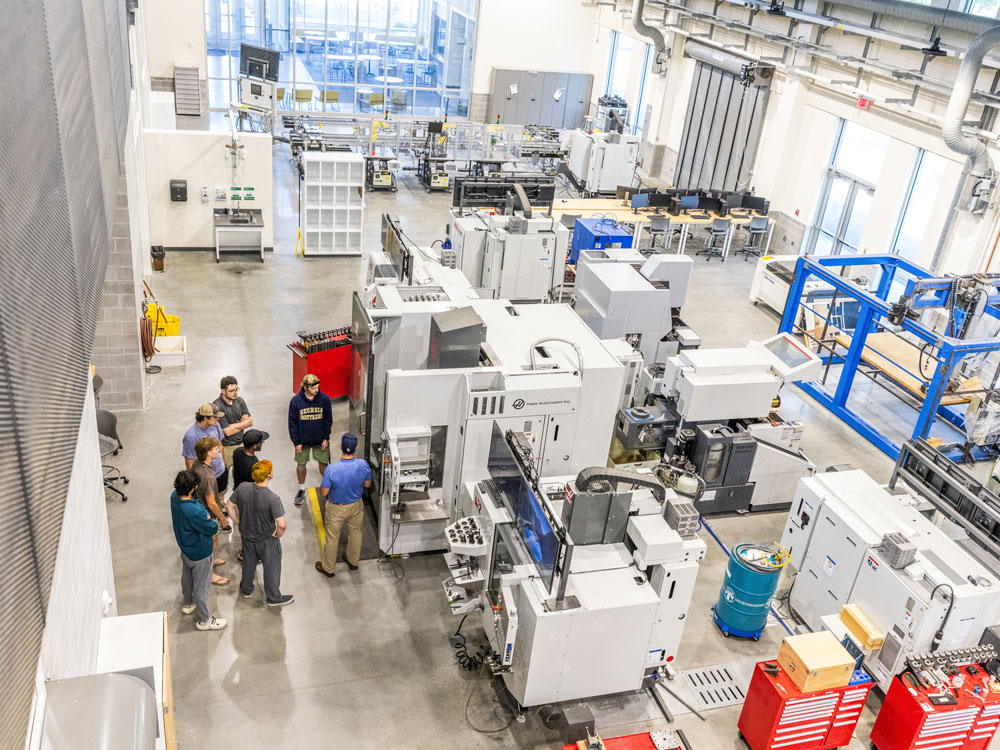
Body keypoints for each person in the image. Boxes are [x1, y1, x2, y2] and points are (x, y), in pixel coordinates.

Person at [229, 460, 293, 607]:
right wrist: (278, 535)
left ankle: (246, 589)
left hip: (247, 537)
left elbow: (229, 506)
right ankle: (273, 598)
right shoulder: (272, 498)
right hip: (267, 540)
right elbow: (281, 524)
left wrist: (238, 521)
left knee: (248, 564)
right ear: (269, 475)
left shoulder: (242, 488)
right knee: (272, 567)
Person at [170, 469, 227, 631]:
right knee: (201, 588)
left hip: (185, 547)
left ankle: (188, 603)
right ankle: (205, 620)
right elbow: (211, 528)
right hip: (201, 552)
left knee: (187, 576)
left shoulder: (174, 497)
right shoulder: (194, 510)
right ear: (193, 488)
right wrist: (210, 519)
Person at [315, 432, 371, 578]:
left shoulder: (331, 469)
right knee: (356, 533)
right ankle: (353, 561)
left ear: (340, 447)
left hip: (336, 509)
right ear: (356, 448)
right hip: (356, 505)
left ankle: (328, 568)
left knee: (332, 538)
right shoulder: (363, 465)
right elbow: (367, 484)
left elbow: (323, 492)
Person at [288, 373, 332, 506]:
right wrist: (296, 442)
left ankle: (327, 487)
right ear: (306, 387)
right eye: (314, 388)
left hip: (320, 440)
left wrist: (325, 438)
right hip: (303, 441)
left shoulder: (324, 399)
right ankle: (301, 488)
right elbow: (292, 423)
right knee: (301, 464)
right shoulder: (296, 401)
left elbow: (328, 420)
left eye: (318, 387)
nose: (317, 390)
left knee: (323, 463)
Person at [193, 437, 230, 586]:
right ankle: (210, 574)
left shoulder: (198, 464)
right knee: (212, 542)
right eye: (216, 449)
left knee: (212, 542)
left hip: (201, 508)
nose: (218, 450)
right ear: (208, 452)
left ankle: (213, 561)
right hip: (207, 513)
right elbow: (211, 502)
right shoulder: (207, 476)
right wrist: (222, 518)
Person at [182, 403, 229, 496]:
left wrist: (223, 464)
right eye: (215, 417)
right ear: (205, 418)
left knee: (221, 494)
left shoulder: (215, 425)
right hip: (207, 478)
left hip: (221, 472)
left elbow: (220, 445)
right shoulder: (191, 437)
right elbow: (189, 463)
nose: (218, 419)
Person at [214, 376, 253, 475]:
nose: (235, 393)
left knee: (240, 475)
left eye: (237, 389)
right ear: (223, 391)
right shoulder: (217, 406)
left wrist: (233, 427)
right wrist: (243, 424)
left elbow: (250, 422)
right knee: (223, 474)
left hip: (241, 445)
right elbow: (227, 432)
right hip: (226, 448)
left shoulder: (240, 401)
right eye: (232, 390)